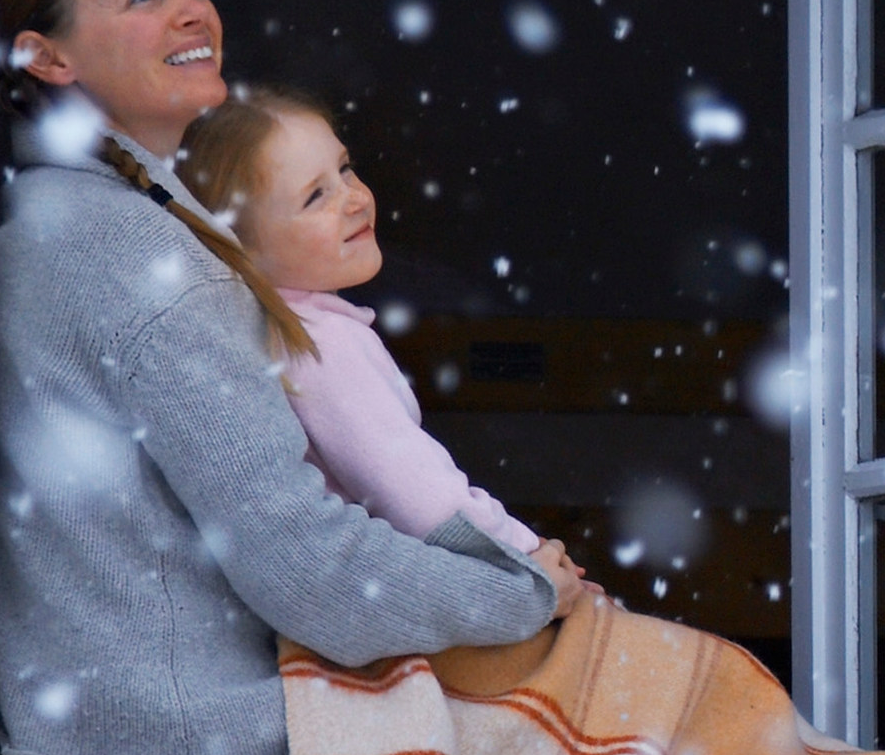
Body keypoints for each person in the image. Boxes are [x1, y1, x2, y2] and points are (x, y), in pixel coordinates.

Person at [0, 0, 564, 755]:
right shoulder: (140, 260)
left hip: (82, 750)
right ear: (48, 56)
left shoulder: (43, 223)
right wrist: (525, 594)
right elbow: (308, 569)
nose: (188, 10)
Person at [170, 89, 594, 597]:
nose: (354, 198)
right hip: (395, 599)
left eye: (344, 169)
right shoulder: (320, 346)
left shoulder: (263, 330)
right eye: (314, 196)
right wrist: (531, 558)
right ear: (238, 246)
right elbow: (426, 503)